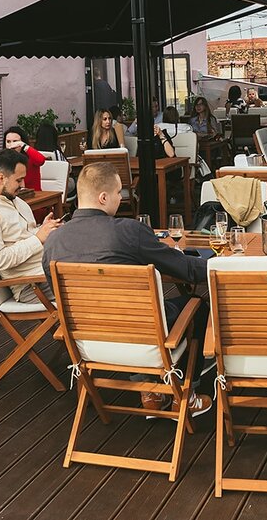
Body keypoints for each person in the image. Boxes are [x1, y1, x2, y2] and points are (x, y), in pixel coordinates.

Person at [43, 162, 213, 417]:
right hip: (140, 335)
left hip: (87, 342)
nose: (120, 198)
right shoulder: (127, 231)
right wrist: (219, 264)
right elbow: (185, 269)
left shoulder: (54, 240)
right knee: (195, 304)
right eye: (118, 193)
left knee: (138, 315)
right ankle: (185, 395)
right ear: (103, 197)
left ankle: (151, 392)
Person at [0, 150, 61, 304]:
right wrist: (37, 239)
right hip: (33, 284)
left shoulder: (16, 201)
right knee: (95, 287)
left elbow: (22, 237)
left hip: (49, 271)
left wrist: (43, 230)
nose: (23, 185)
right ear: (1, 178)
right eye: (19, 180)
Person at [2, 126, 47, 192]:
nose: (12, 145)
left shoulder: (30, 157)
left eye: (15, 141)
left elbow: (41, 160)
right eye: (8, 141)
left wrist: (24, 146)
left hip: (33, 195)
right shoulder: (3, 159)